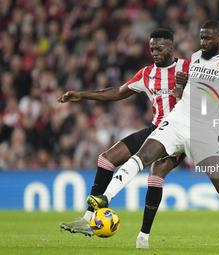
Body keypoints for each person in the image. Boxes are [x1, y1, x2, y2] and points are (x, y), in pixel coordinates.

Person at [87, 19, 219, 250]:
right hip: (177, 120)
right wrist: (182, 87)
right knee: (143, 156)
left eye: (207, 38)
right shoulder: (196, 57)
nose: (202, 42)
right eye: (201, 37)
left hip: (204, 132)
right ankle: (105, 198)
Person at [58, 28, 190, 245]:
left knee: (154, 178)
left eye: (159, 48)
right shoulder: (146, 74)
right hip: (155, 129)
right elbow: (117, 92)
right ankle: (87, 219)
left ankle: (143, 237)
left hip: (179, 135)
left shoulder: (187, 69)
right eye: (151, 48)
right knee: (106, 158)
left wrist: (185, 89)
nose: (155, 52)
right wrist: (82, 94)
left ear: (171, 47)